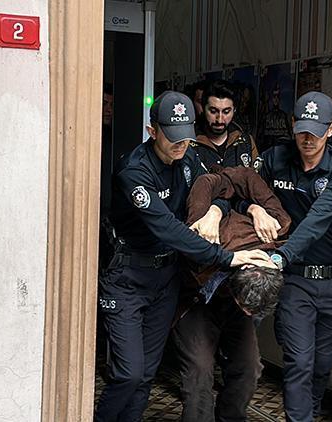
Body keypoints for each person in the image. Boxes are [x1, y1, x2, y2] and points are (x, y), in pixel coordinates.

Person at [93, 91, 272, 422]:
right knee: (128, 373)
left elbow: (224, 186)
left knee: (146, 373)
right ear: (152, 131)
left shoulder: (189, 160)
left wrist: (218, 210)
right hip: (128, 279)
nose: (180, 145)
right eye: (172, 138)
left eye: (186, 137)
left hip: (167, 280)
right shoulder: (134, 170)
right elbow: (167, 228)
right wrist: (228, 258)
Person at [246, 91, 332, 421]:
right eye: (302, 129)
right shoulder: (274, 159)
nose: (308, 138)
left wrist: (279, 257)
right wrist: (254, 207)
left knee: (322, 367)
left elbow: (317, 220)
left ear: (331, 129)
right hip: (296, 281)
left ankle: (305, 415)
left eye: (317, 130)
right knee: (299, 363)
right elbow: (241, 190)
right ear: (293, 125)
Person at [172, 166, 290, 422]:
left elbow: (248, 177)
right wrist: (215, 211)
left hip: (233, 308)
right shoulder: (202, 233)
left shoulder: (276, 227)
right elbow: (206, 181)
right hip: (197, 302)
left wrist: (255, 208)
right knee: (199, 372)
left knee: (249, 368)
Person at [190, 80, 259, 169]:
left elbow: (257, 178)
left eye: (226, 112)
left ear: (234, 110)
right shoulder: (189, 143)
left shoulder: (246, 141)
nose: (219, 119)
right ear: (203, 108)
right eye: (213, 111)